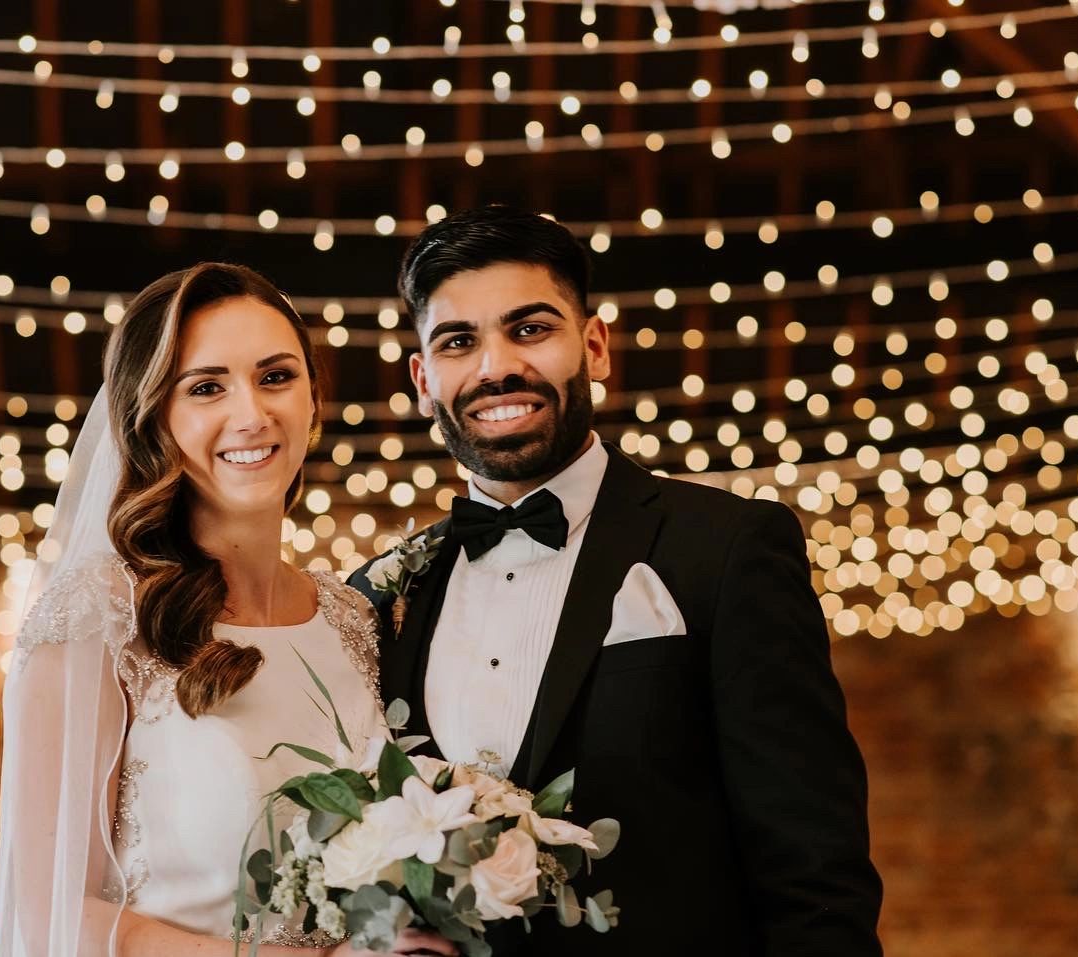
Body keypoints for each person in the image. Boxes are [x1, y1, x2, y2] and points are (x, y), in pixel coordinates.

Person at [349, 206, 884, 956]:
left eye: (530, 329)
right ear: (422, 379)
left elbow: (816, 875)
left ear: (594, 346)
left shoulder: (727, 547)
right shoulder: (376, 595)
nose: (496, 365)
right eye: (458, 341)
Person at [0, 263, 456, 957]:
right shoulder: (99, 618)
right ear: (152, 415)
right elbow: (50, 913)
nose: (252, 413)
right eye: (207, 386)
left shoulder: (353, 619)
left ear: (312, 398)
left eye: (276, 377)